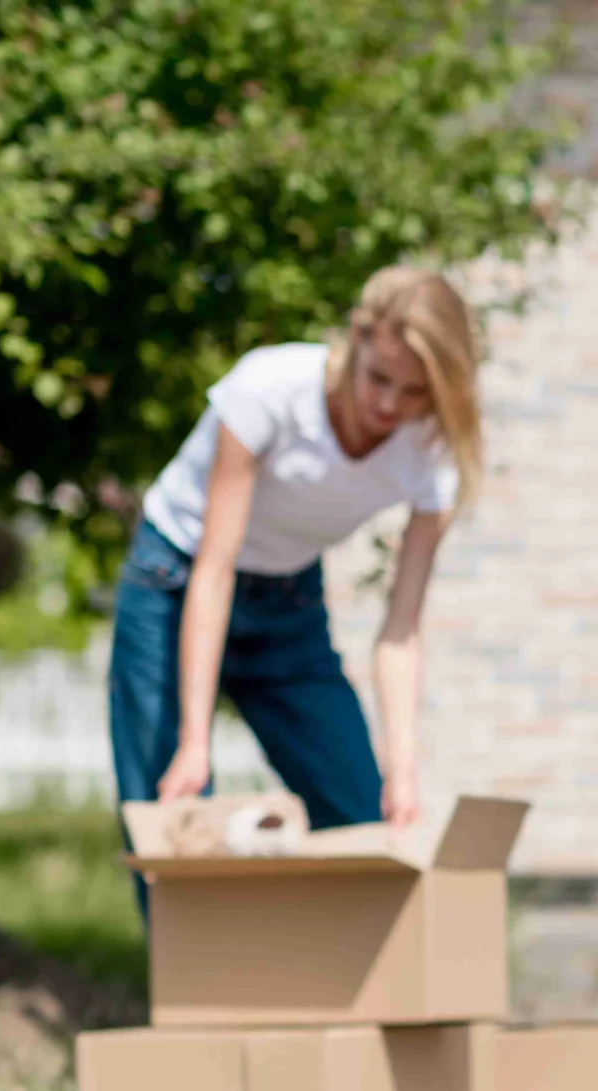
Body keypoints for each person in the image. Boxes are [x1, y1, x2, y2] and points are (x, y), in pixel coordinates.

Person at [110, 265, 480, 871]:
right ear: (356, 340)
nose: (389, 405)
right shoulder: (269, 390)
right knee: (171, 816)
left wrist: (403, 771)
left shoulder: (431, 451)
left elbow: (401, 628)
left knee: (363, 812)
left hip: (289, 602)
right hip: (176, 584)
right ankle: (184, 965)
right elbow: (215, 568)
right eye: (379, 379)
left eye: (414, 394)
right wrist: (194, 743)